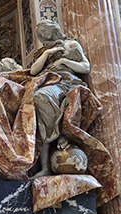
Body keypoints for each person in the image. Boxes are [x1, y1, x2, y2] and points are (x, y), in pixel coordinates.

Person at [29, 20, 90, 178]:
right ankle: (45, 166)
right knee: (37, 107)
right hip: (49, 84)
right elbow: (33, 71)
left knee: (40, 97)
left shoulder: (71, 45)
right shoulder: (43, 52)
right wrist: (47, 53)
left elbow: (86, 67)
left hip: (65, 84)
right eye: (42, 39)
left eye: (46, 37)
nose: (44, 41)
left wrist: (64, 61)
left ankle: (57, 133)